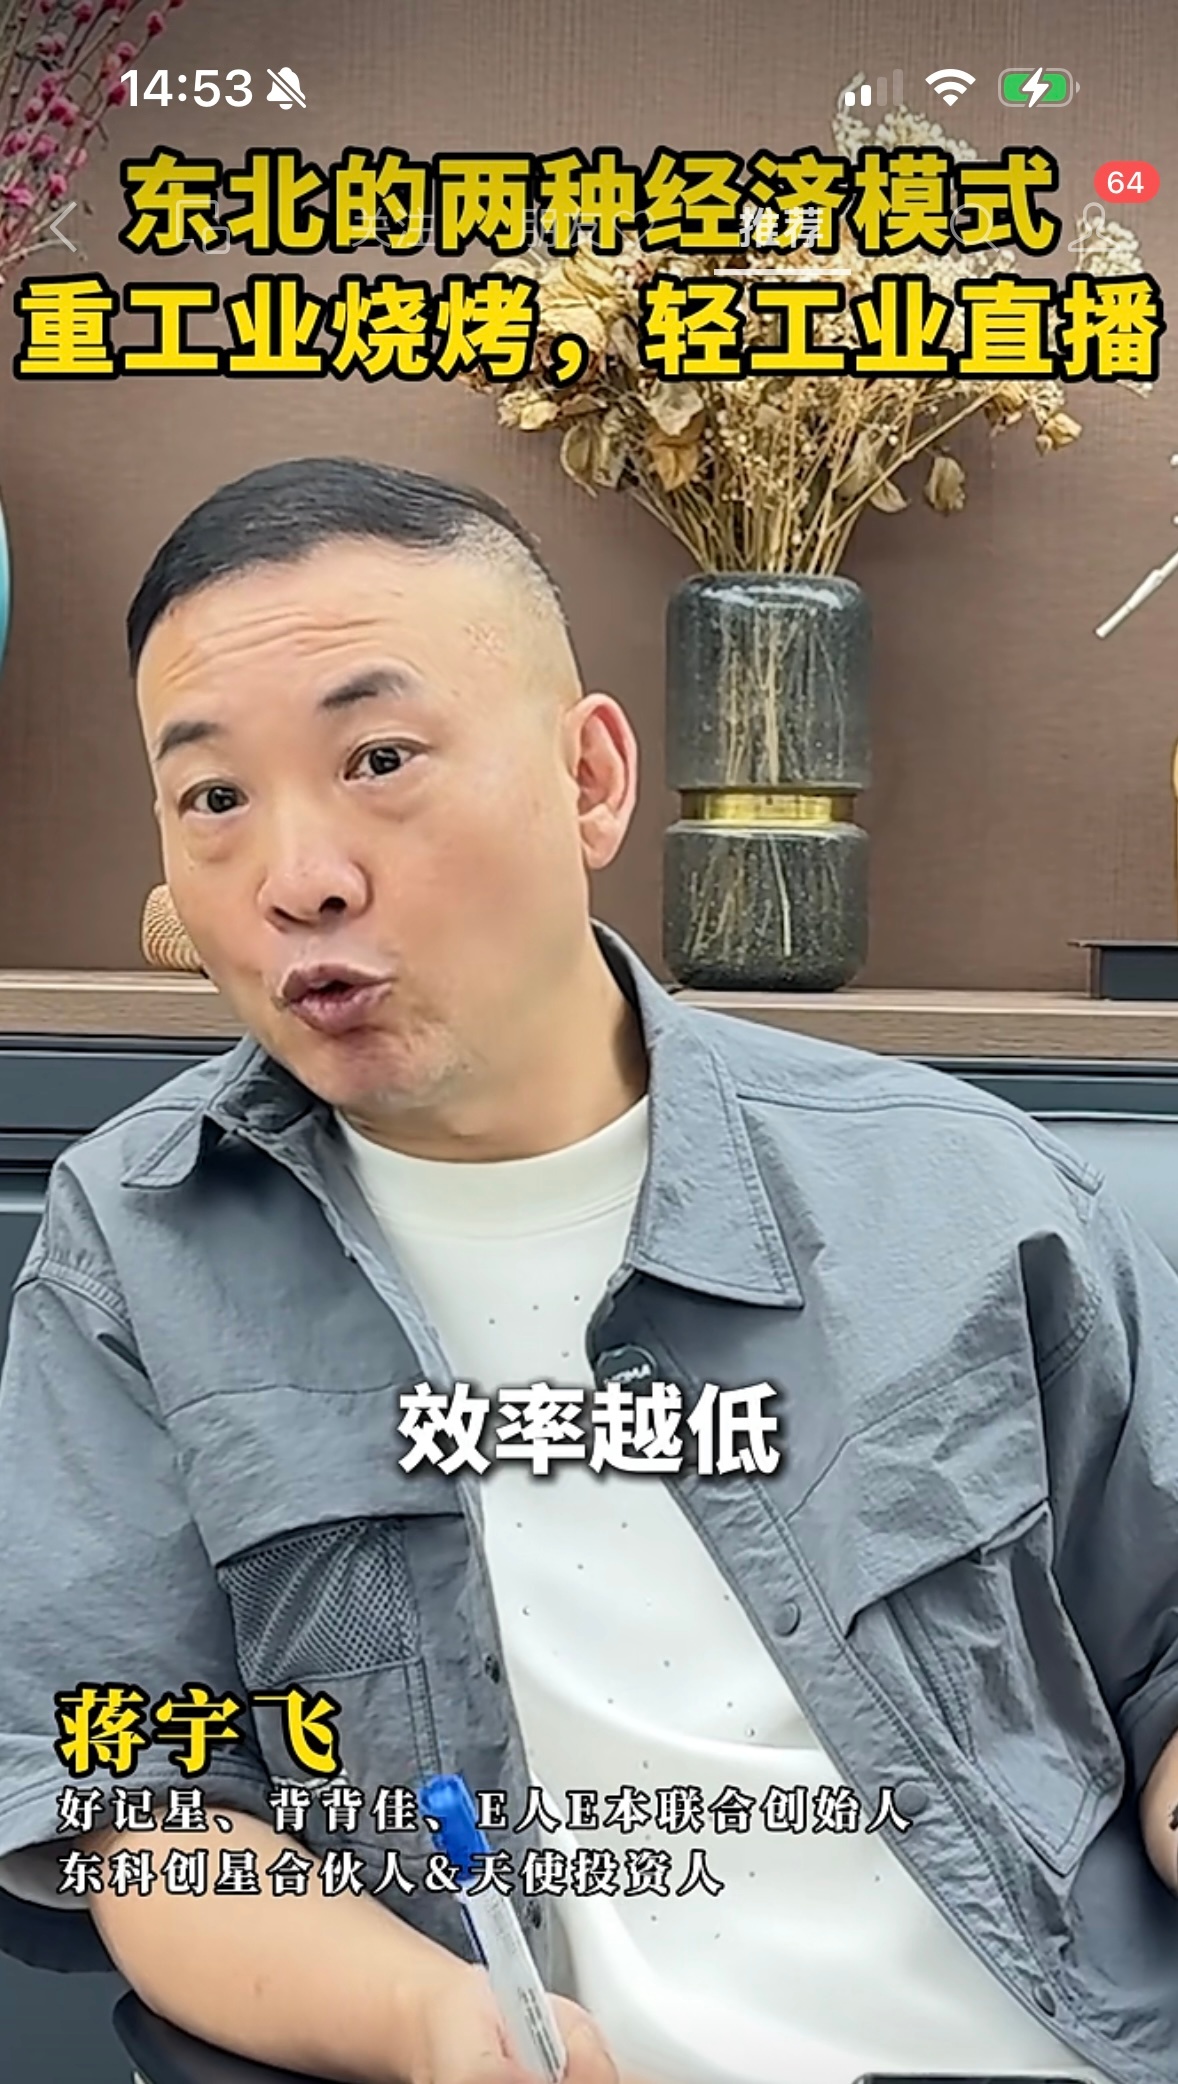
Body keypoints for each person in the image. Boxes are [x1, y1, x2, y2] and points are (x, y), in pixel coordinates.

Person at [1, 457, 1178, 2084]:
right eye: (213, 799)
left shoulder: (962, 1189)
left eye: (379, 760)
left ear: (589, 779)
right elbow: (138, 1806)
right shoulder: (138, 1244)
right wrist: (432, 2023)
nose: (299, 877)